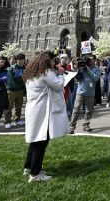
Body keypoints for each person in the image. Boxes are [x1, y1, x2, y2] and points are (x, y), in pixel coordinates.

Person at [23, 52, 69, 182]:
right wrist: (60, 75)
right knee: (41, 140)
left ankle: (28, 166)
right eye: (53, 61)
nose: (54, 63)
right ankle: (35, 174)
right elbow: (58, 85)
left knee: (35, 138)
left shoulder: (31, 73)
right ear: (47, 61)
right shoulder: (45, 72)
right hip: (42, 109)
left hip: (33, 107)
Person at [70, 56, 101, 133]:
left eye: (91, 59)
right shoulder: (82, 67)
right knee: (76, 109)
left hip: (90, 93)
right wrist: (77, 68)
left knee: (88, 110)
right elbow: (77, 79)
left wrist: (88, 70)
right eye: (89, 59)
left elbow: (96, 78)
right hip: (80, 92)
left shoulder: (97, 69)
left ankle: (86, 125)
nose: (90, 60)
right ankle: (72, 126)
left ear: (95, 60)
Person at [5, 54, 26, 129]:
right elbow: (10, 80)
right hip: (11, 90)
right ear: (16, 60)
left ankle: (17, 119)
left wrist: (22, 86)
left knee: (18, 106)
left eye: (22, 59)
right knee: (9, 107)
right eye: (19, 59)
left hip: (20, 89)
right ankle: (7, 121)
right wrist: (17, 86)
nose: (20, 61)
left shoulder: (25, 68)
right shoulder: (12, 68)